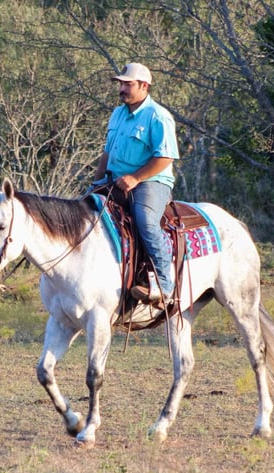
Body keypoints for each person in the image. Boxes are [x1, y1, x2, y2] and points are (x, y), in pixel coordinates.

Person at [92, 62, 180, 307]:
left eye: (127, 84)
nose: (122, 88)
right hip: (114, 181)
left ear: (144, 85)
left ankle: (164, 285)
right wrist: (95, 184)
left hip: (150, 182)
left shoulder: (158, 116)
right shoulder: (117, 114)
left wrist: (136, 178)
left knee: (145, 221)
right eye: (120, 84)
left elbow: (165, 157)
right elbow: (107, 153)